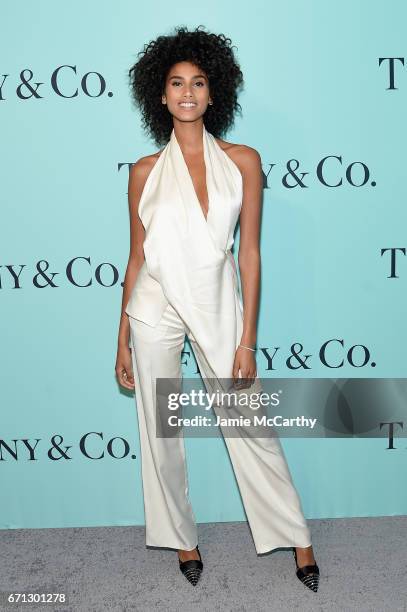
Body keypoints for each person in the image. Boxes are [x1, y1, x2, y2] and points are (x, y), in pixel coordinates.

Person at [115, 25, 320, 592]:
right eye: (176, 83)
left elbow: (248, 255)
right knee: (161, 430)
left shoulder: (243, 161)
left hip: (217, 306)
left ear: (213, 92)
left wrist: (247, 339)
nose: (187, 92)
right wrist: (120, 339)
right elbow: (135, 260)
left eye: (198, 82)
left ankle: (296, 535)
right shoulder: (144, 174)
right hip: (154, 308)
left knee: (248, 423)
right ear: (159, 95)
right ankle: (184, 539)